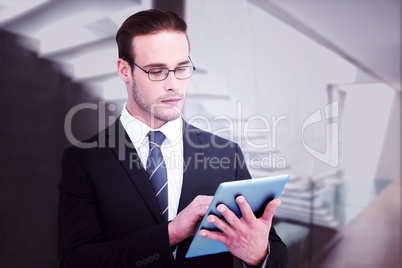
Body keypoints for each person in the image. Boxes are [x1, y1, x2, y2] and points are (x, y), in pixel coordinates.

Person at [57, 9, 288, 268]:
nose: (174, 85)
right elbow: (74, 261)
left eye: (182, 68)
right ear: (124, 70)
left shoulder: (225, 155)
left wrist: (258, 254)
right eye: (157, 71)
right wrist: (172, 233)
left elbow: (275, 253)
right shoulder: (86, 159)